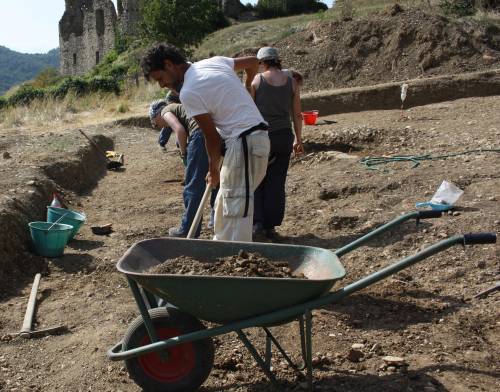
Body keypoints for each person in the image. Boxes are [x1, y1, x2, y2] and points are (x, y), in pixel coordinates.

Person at [141, 43, 270, 242]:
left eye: (160, 78)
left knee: (233, 215)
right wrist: (248, 87)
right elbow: (253, 62)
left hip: (244, 143)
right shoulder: (213, 63)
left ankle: (232, 263)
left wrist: (213, 169)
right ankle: (223, 259)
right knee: (222, 208)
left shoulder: (189, 91)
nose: (162, 85)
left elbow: (211, 137)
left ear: (169, 64)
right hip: (251, 141)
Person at [250, 47, 304, 239]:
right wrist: (298, 139)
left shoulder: (257, 81)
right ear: (277, 60)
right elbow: (297, 114)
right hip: (283, 137)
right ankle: (271, 226)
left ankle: (257, 223)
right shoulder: (292, 82)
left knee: (257, 180)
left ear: (262, 62)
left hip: (261, 137)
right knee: (277, 181)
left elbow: (249, 111)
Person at [149, 96, 212, 238]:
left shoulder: (166, 110)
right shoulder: (181, 108)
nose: (159, 126)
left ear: (157, 114)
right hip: (213, 132)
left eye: (155, 123)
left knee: (193, 186)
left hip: (200, 134)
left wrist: (184, 154)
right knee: (214, 180)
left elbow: (180, 130)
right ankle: (215, 222)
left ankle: (187, 230)